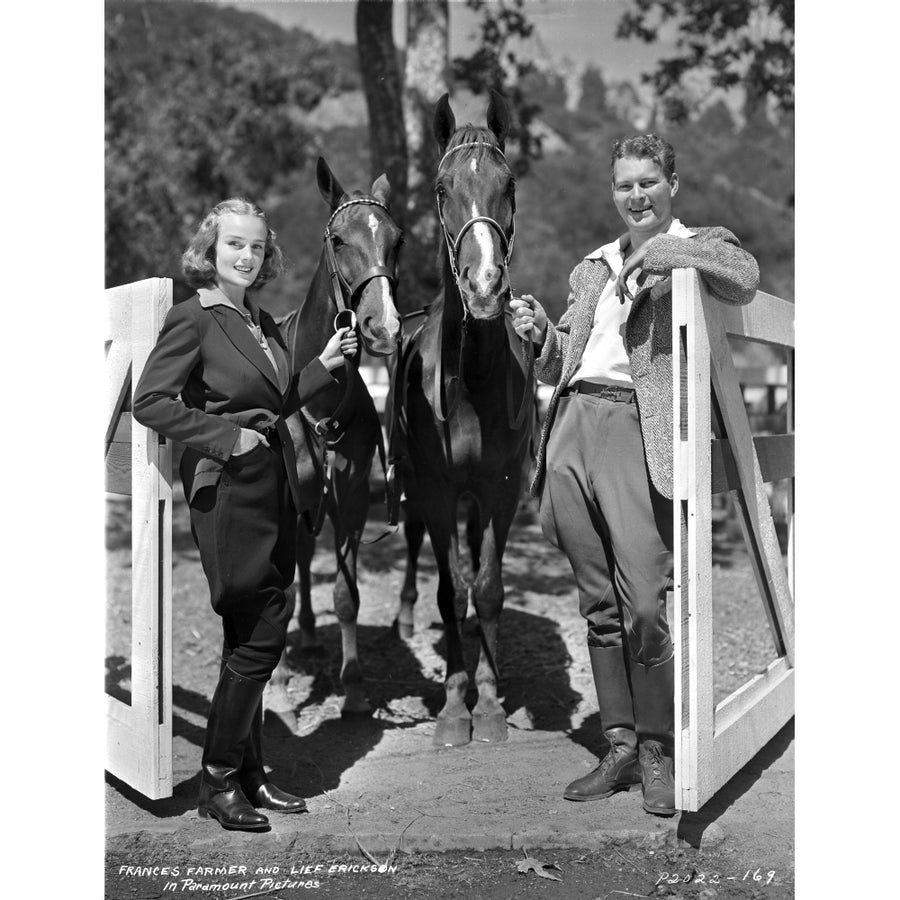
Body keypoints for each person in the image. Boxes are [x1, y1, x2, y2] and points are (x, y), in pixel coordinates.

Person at [509, 135, 759, 816]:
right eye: (624, 185)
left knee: (645, 599)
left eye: (648, 181)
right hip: (571, 427)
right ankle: (618, 748)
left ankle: (656, 748)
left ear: (672, 182)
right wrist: (539, 335)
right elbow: (564, 359)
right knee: (598, 603)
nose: (636, 195)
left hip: (634, 431)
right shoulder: (591, 268)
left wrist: (663, 252)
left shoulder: (695, 243)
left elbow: (744, 273)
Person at [132, 198, 357, 831]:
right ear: (211, 249)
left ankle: (252, 775)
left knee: (248, 629)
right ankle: (219, 776)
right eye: (234, 244)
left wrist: (322, 367)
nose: (246, 255)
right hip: (230, 482)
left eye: (256, 247)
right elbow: (151, 400)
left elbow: (276, 399)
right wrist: (229, 441)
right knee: (264, 628)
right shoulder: (194, 318)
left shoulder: (258, 320)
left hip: (275, 479)